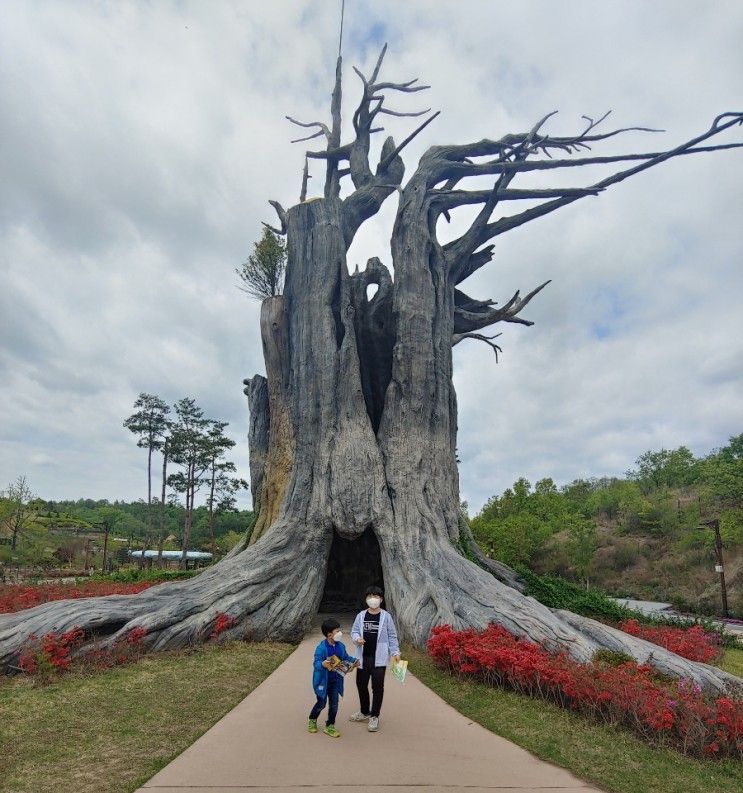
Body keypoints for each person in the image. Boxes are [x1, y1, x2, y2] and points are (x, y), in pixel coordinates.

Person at [349, 585, 400, 733]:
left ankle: (374, 716)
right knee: (361, 685)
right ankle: (365, 712)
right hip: (363, 658)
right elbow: (354, 631)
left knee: (377, 688)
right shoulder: (361, 616)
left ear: (381, 599)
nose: (373, 599)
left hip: (379, 659)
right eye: (370, 596)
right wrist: (357, 639)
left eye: (376, 596)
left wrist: (395, 652)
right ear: (366, 599)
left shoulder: (386, 616)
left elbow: (392, 636)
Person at [309, 618, 357, 737]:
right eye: (337, 631)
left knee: (334, 704)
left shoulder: (340, 646)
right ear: (330, 635)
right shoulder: (321, 648)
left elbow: (345, 657)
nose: (340, 633)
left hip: (335, 681)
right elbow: (316, 663)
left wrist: (354, 661)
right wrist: (322, 664)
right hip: (323, 682)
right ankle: (312, 719)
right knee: (322, 703)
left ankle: (330, 725)